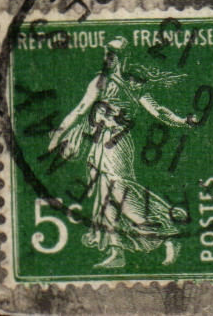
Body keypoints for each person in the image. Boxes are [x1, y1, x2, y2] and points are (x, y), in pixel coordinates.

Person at [48, 38, 192, 268]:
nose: (109, 58)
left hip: (118, 144)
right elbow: (80, 110)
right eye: (108, 53)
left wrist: (183, 121)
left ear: (125, 58)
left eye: (114, 54)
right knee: (105, 198)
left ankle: (166, 230)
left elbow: (159, 112)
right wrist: (58, 135)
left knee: (119, 189)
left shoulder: (135, 85)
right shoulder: (100, 82)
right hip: (98, 144)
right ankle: (117, 253)